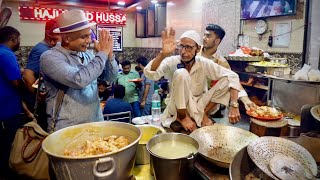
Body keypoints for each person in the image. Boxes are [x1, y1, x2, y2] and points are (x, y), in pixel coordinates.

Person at [144, 28, 242, 132]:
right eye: (181, 46)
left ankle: (203, 114)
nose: (183, 52)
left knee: (226, 80)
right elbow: (151, 74)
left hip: (199, 105)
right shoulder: (172, 61)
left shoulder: (203, 63)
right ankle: (182, 117)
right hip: (176, 106)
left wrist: (234, 104)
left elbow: (232, 76)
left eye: (188, 47)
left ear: (198, 49)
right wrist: (162, 54)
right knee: (181, 73)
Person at [40, 9, 114, 132]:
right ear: (67, 38)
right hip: (67, 130)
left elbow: (110, 77)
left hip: (96, 124)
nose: (89, 40)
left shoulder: (88, 55)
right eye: (84, 36)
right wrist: (102, 54)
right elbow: (78, 80)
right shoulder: (49, 57)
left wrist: (109, 55)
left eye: (89, 35)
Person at [199, 24, 257, 116]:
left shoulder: (221, 62)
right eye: (204, 35)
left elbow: (233, 81)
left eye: (208, 36)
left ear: (217, 41)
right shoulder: (193, 51)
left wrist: (246, 100)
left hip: (206, 104)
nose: (204, 38)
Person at [0, 26, 33, 179]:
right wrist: (31, 89)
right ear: (13, 38)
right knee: (9, 149)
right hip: (7, 112)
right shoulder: (6, 54)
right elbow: (16, 83)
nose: (19, 42)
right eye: (18, 39)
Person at [23, 18, 61, 129]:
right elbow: (27, 75)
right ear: (50, 34)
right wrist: (38, 96)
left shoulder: (49, 49)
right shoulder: (41, 50)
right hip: (42, 106)